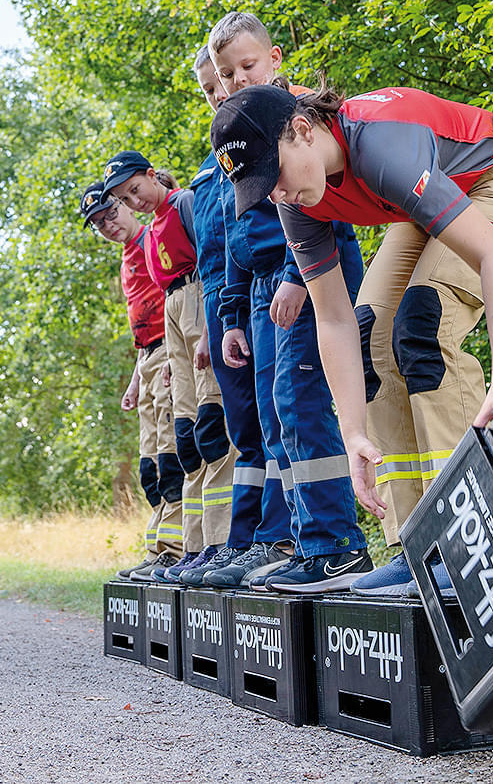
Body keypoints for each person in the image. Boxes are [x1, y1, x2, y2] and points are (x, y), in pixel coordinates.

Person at [209, 81, 493, 597]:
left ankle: (470, 543)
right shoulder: (296, 198)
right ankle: (418, 548)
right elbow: (334, 319)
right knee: (372, 334)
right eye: (261, 187)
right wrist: (352, 435)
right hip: (424, 201)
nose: (276, 195)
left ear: (302, 130)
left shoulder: (379, 146)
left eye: (273, 175)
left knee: (423, 322)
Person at [204, 12, 374, 593]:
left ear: (274, 58)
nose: (235, 81)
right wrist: (232, 312)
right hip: (265, 286)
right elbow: (234, 233)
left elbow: (330, 202)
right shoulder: (238, 129)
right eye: (225, 75)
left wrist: (296, 277)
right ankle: (304, 542)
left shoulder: (297, 116)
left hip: (306, 274)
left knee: (303, 403)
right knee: (280, 412)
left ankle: (338, 546)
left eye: (246, 67)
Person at [171, 48, 293, 588]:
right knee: (246, 426)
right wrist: (217, 318)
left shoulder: (272, 126)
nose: (222, 90)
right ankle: (241, 538)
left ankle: (281, 535)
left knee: (279, 417)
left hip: (272, 285)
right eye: (212, 86)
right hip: (228, 299)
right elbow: (217, 243)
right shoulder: (214, 160)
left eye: (227, 78)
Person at [104, 151, 232, 581]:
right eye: (126, 198)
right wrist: (163, 363)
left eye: (134, 190)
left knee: (213, 426)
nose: (134, 201)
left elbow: (213, 262)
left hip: (198, 300)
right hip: (174, 316)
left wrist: (213, 329)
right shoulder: (155, 225)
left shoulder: (184, 203)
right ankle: (193, 546)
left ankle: (224, 540)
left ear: (150, 175)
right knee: (187, 439)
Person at [79, 181, 183, 580]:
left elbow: (177, 299)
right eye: (99, 223)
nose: (109, 225)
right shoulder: (126, 258)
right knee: (149, 466)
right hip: (148, 358)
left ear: (125, 205)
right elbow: (142, 327)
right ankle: (158, 548)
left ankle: (178, 549)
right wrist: (135, 380)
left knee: (172, 456)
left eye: (111, 213)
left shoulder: (152, 238)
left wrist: (176, 355)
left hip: (170, 350)